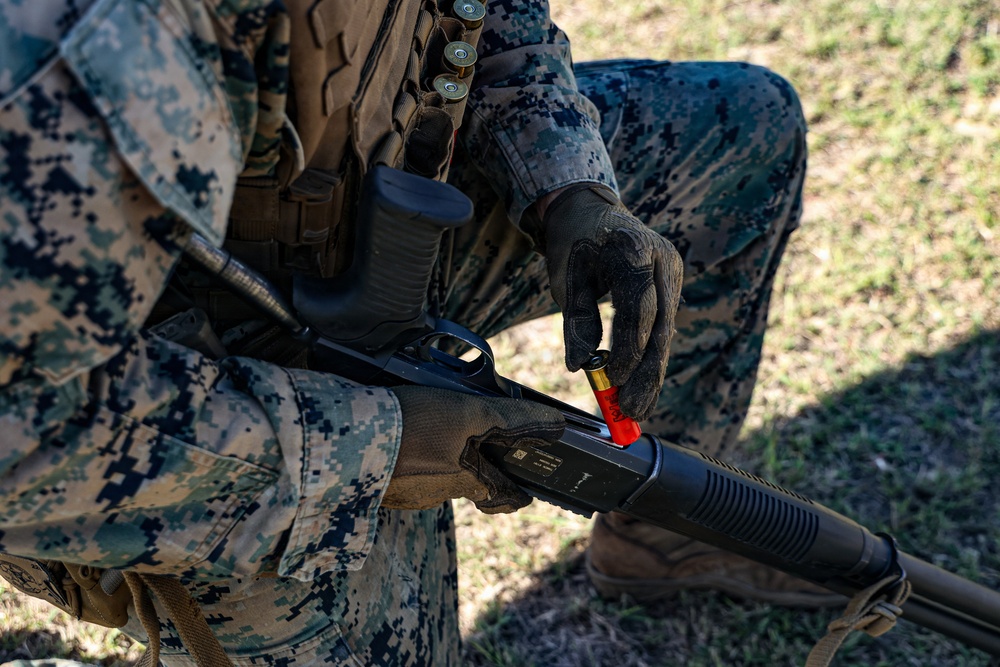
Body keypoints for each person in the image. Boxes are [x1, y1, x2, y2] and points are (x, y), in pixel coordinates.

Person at [0, 0, 834, 664]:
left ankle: (666, 539)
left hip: (376, 244)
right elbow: (22, 437)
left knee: (746, 132)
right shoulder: (94, 31)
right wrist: (377, 449)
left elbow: (489, 18)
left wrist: (570, 189)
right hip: (182, 417)